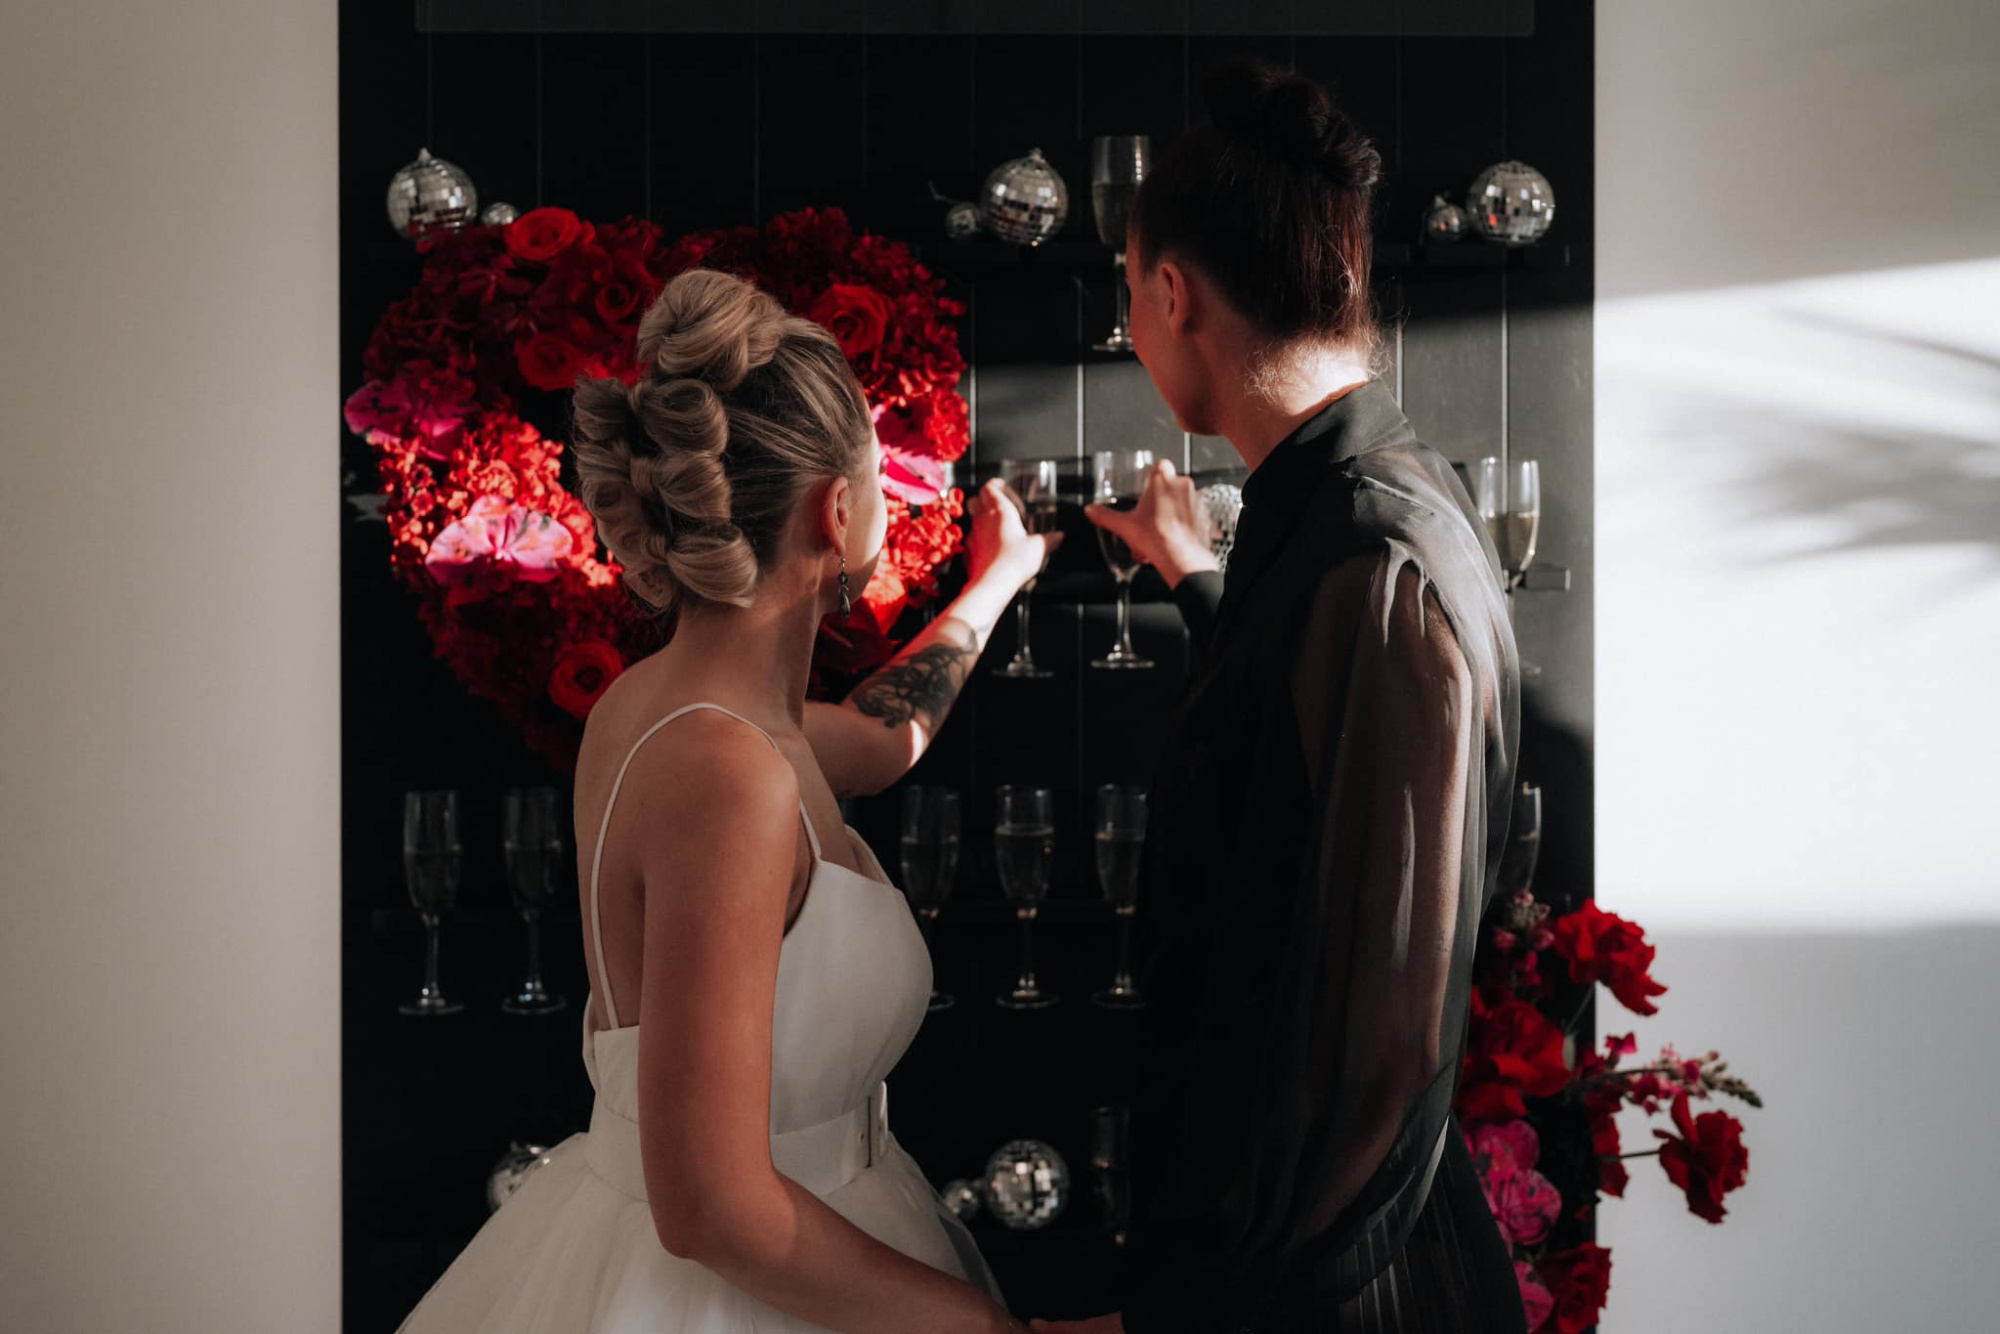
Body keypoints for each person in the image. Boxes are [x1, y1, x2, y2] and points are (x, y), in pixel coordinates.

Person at [395, 268, 1057, 1334]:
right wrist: (982, 1328)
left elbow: (885, 739)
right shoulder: (729, 774)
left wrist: (994, 583)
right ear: (832, 509)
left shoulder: (671, 709)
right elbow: (709, 1204)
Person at [1034, 60, 1527, 1334]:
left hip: (1334, 1296)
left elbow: (1372, 1046)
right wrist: (1199, 577)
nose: (1131, 332)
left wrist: (1177, 1320)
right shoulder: (1347, 500)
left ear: (1170, 292)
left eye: (1125, 296)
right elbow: (1301, 776)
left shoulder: (1368, 552)